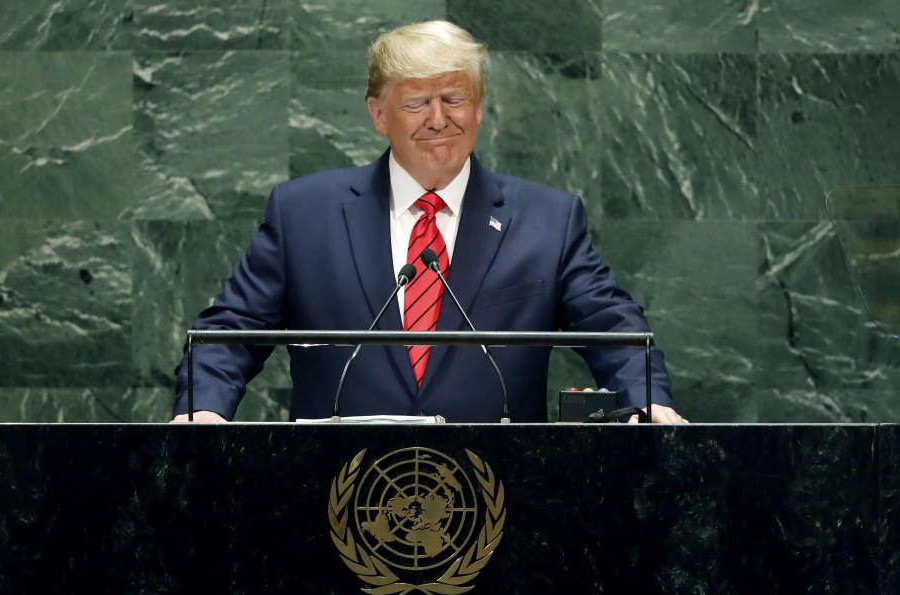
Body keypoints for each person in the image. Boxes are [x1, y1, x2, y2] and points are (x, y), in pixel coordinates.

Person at [172, 20, 686, 424]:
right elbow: (230, 332)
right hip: (334, 498)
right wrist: (205, 408)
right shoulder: (304, 213)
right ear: (379, 115)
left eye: (454, 98)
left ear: (479, 107)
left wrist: (644, 400)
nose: (439, 119)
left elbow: (611, 325)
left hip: (500, 504)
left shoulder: (548, 219)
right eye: (417, 102)